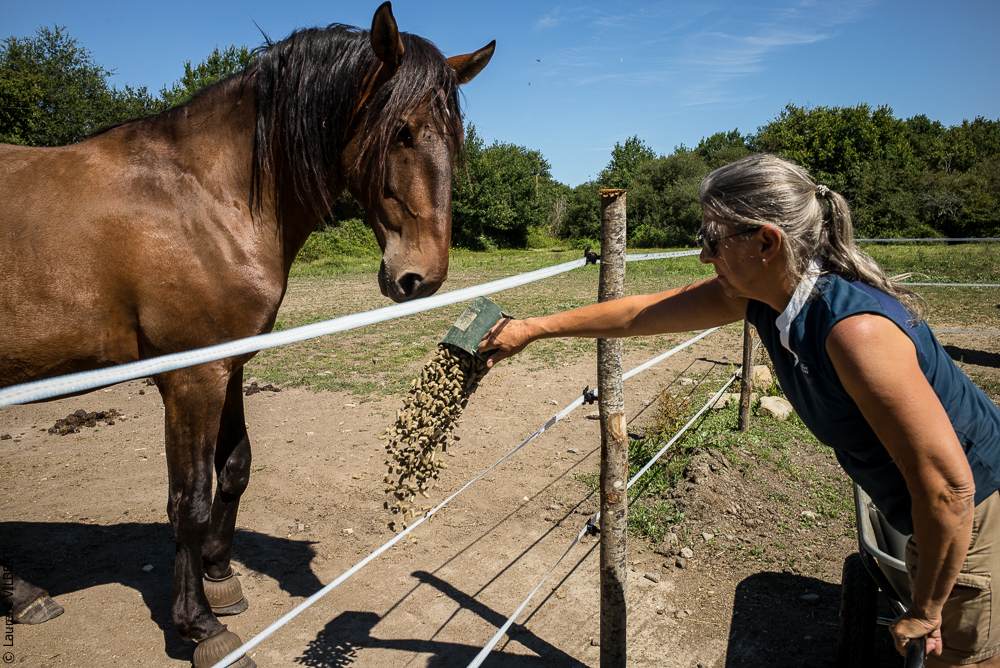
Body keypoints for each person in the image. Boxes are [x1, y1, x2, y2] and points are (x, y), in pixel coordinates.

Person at [478, 153, 1000, 666]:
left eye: (712, 239)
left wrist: (928, 609)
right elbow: (640, 312)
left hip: (973, 517)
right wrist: (533, 328)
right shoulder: (766, 297)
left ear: (767, 242)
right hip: (933, 512)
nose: (704, 256)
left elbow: (950, 490)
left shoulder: (854, 332)